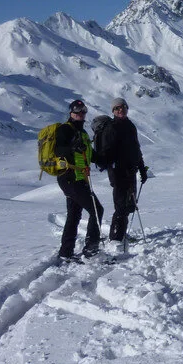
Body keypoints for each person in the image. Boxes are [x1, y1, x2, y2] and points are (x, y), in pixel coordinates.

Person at [55, 99, 104, 262]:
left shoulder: (82, 133)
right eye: (77, 112)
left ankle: (66, 252)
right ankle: (91, 248)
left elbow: (91, 154)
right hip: (70, 178)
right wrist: (73, 147)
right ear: (71, 113)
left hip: (79, 179)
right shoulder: (65, 129)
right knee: (97, 210)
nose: (80, 114)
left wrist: (106, 159)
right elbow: (58, 149)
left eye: (83, 112)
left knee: (74, 215)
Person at [104, 97, 148, 242]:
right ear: (113, 111)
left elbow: (136, 149)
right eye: (117, 108)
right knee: (121, 205)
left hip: (131, 171)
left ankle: (121, 234)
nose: (120, 110)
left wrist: (142, 168)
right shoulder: (112, 127)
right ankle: (116, 237)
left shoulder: (130, 125)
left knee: (129, 204)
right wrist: (115, 168)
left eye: (123, 107)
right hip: (118, 172)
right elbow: (108, 153)